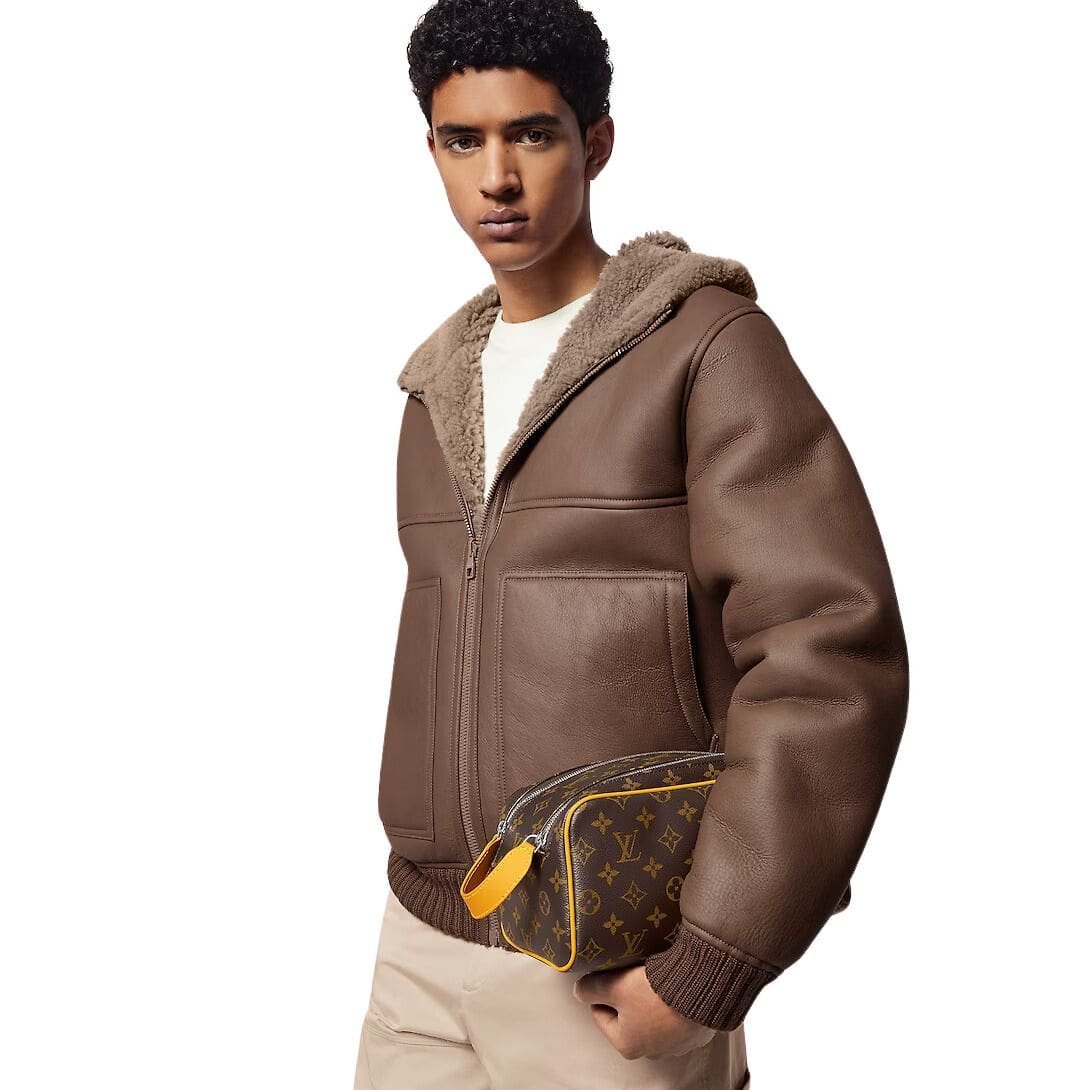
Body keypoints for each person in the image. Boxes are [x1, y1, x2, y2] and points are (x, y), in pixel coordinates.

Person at [353, 1, 910, 1086]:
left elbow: (828, 652)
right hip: (422, 945)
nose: (496, 178)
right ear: (432, 151)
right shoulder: (433, 391)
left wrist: (709, 966)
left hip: (613, 960)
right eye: (463, 141)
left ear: (596, 141)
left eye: (532, 133)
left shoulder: (703, 349)